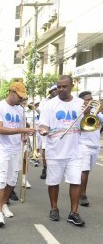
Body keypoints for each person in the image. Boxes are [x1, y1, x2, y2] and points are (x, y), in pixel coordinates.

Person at [38, 75, 85, 226]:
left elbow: (85, 126)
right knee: (53, 182)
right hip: (55, 150)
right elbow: (43, 125)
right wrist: (43, 131)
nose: (61, 89)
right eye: (58, 86)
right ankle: (54, 208)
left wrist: (89, 113)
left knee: (76, 181)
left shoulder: (80, 103)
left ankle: (74, 213)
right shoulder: (49, 105)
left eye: (64, 86)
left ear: (72, 86)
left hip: (75, 151)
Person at [0, 82, 34, 227]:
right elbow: (0, 129)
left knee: (12, 181)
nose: (21, 100)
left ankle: (3, 205)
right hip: (1, 148)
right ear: (12, 92)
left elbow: (21, 129)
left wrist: (24, 136)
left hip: (15, 148)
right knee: (1, 180)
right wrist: (22, 131)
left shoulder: (20, 110)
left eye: (23, 97)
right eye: (19, 96)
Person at [78, 91, 103, 206]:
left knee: (86, 171)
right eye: (87, 99)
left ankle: (77, 187)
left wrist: (98, 112)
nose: (90, 101)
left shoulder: (97, 112)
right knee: (85, 170)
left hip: (95, 146)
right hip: (83, 144)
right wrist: (86, 113)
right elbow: (81, 128)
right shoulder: (79, 112)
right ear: (82, 101)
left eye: (91, 99)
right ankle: (83, 195)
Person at [38, 84, 58, 179]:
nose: (56, 91)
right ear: (50, 92)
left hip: (60, 131)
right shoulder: (45, 102)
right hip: (47, 129)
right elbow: (41, 114)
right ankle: (45, 168)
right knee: (45, 149)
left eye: (56, 89)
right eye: (53, 90)